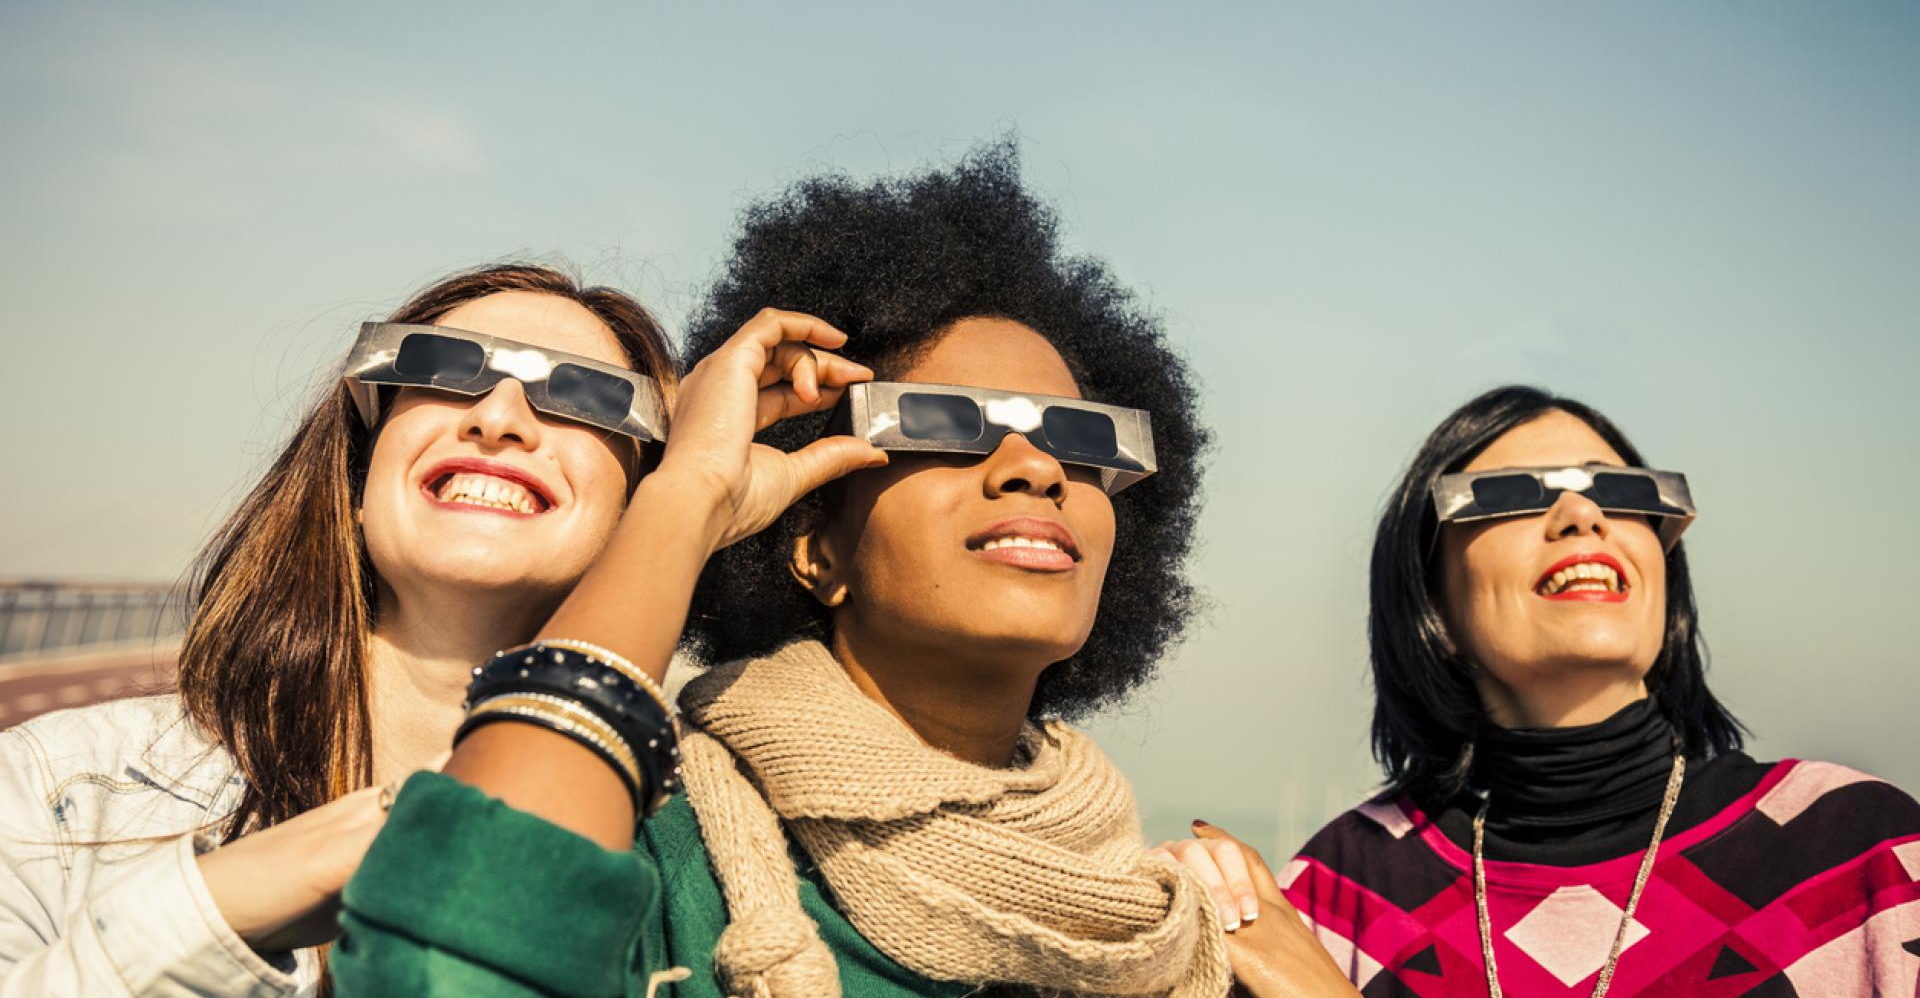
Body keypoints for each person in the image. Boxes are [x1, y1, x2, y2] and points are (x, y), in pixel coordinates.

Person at [333, 145, 1356, 996]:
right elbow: (455, 956)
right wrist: (687, 494)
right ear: (814, 548)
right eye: (943, 426)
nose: (1035, 468)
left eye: (1079, 439)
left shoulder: (1173, 933)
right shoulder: (656, 850)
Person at [0, 264, 679, 995]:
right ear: (358, 476)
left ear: (640, 509)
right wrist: (218, 908)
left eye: (585, 393)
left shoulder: (713, 858)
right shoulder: (53, 789)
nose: (498, 417)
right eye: (441, 365)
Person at [1165, 386, 1920, 996]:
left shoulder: (1858, 852)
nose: (1581, 516)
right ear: (1432, 599)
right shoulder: (1343, 889)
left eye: (1621, 491)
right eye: (1511, 495)